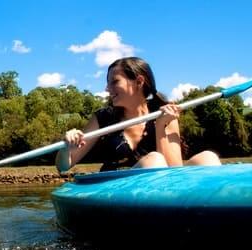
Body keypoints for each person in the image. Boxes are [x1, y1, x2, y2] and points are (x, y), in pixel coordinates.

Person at [56, 57, 221, 173]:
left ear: (139, 82)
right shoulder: (102, 117)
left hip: (161, 186)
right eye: (107, 83)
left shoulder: (164, 113)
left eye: (114, 82)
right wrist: (66, 148)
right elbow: (63, 166)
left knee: (208, 158)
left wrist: (161, 126)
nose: (107, 89)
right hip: (116, 188)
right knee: (154, 161)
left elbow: (174, 171)